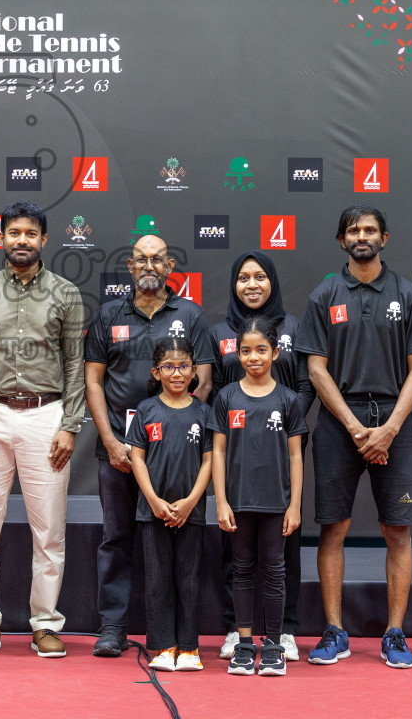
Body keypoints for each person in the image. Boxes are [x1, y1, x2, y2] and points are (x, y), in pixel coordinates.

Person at [297, 205, 412, 668]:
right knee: (333, 528)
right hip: (341, 423)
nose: (362, 236)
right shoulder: (324, 295)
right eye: (354, 230)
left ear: (385, 237)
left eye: (371, 229)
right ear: (342, 240)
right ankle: (334, 631)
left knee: (398, 529)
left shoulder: (408, 295)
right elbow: (315, 368)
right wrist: (356, 428)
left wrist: (392, 427)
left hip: (396, 420)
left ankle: (395, 634)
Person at [0, 201, 86, 660]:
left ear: (44, 240)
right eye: (14, 233)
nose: (21, 240)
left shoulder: (66, 293)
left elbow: (75, 366)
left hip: (46, 417)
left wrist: (70, 425)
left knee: (48, 530)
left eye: (30, 233)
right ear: (1, 238)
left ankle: (46, 624)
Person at [84, 233, 212, 657]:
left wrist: (178, 434)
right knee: (116, 537)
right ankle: (113, 626)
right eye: (141, 258)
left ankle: (176, 634)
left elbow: (205, 380)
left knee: (176, 542)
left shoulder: (190, 315)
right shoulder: (107, 316)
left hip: (174, 456)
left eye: (157, 258)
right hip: (119, 451)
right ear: (130, 266)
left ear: (170, 265)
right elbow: (93, 381)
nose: (149, 266)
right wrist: (111, 440)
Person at [207, 251, 315, 662]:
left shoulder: (295, 328)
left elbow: (306, 385)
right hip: (234, 453)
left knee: (282, 549)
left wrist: (281, 420)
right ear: (234, 284)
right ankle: (238, 629)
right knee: (238, 550)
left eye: (260, 276)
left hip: (282, 446)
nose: (252, 284)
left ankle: (283, 630)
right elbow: (215, 387)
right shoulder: (220, 332)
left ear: (272, 282)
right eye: (243, 277)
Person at [127, 337, 212, 674]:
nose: (177, 373)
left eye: (184, 366)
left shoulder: (204, 412)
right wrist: (154, 499)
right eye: (168, 367)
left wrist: (191, 501)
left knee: (189, 579)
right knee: (158, 579)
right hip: (153, 512)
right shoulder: (146, 409)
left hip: (191, 512)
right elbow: (136, 457)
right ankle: (163, 646)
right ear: (156, 371)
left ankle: (189, 648)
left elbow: (209, 461)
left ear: (194, 371)